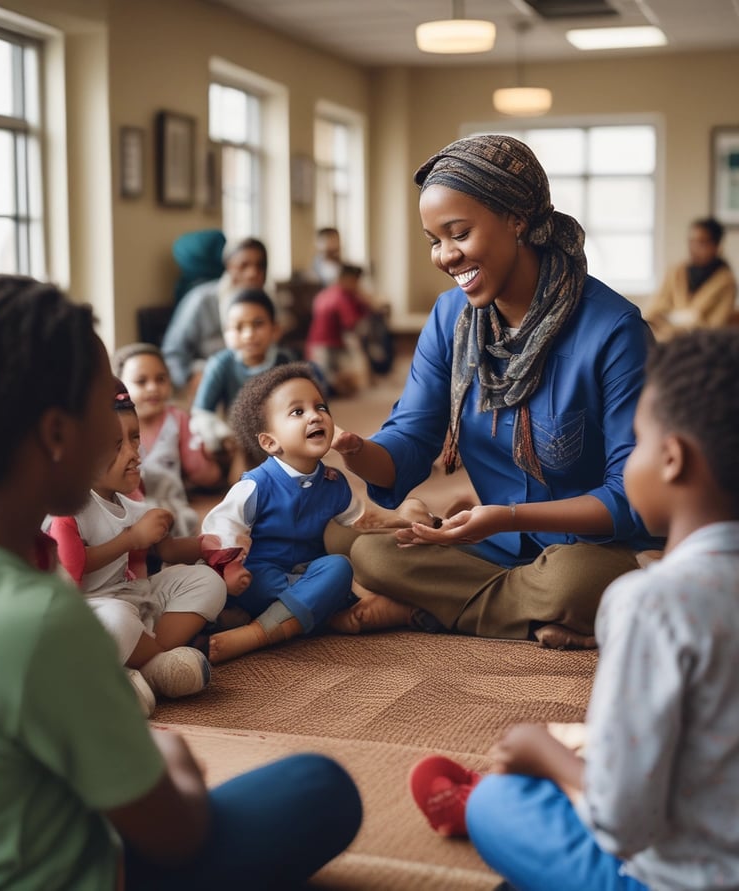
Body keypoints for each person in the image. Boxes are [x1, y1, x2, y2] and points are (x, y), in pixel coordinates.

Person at [0, 273, 362, 891]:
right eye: (106, 403)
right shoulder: (43, 617)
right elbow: (172, 831)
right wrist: (172, 763)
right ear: (55, 433)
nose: (122, 432)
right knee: (322, 786)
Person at [409, 328, 739, 891]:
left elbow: (623, 822)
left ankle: (475, 804)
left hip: (680, 876)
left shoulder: (651, 602)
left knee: (504, 797)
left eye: (635, 440)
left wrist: (545, 754)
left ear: (671, 459)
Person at [327, 133, 662, 648]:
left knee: (576, 581)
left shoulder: (614, 330)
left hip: (594, 547)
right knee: (370, 552)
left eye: (458, 233)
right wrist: (357, 451)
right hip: (496, 544)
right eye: (434, 240)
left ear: (517, 219)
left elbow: (633, 498)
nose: (444, 256)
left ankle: (433, 611)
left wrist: (505, 516)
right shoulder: (450, 319)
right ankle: (542, 615)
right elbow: (411, 441)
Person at [201, 362, 434, 664]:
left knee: (338, 567)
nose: (315, 415)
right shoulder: (255, 485)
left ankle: (303, 614)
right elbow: (218, 529)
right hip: (257, 577)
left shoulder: (333, 483)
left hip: (303, 574)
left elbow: (363, 520)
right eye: (297, 412)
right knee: (331, 587)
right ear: (270, 442)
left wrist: (406, 518)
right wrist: (231, 572)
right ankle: (258, 634)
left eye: (320, 407)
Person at [49, 378, 226, 712]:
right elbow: (71, 565)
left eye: (134, 439)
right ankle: (155, 662)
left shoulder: (130, 506)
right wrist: (131, 539)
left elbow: (169, 552)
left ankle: (143, 660)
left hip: (133, 598)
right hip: (92, 609)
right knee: (117, 621)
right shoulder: (68, 506)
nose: (134, 454)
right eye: (117, 446)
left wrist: (208, 545)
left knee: (206, 581)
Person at [189, 288, 297, 483]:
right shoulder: (220, 364)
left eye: (258, 324)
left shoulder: (285, 361)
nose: (248, 334)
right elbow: (202, 412)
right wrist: (222, 436)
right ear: (226, 333)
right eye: (239, 327)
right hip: (235, 439)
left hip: (279, 435)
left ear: (275, 329)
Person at [114, 342, 222, 535]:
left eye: (161, 379)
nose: (153, 387)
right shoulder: (114, 424)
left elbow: (202, 473)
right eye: (141, 381)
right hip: (127, 511)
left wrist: (205, 451)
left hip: (171, 511)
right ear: (120, 385)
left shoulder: (177, 419)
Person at [161, 237, 268, 393]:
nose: (253, 273)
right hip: (207, 385)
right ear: (229, 266)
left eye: (260, 266)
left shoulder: (270, 304)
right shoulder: (201, 299)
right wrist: (188, 378)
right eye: (244, 265)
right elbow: (173, 351)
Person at [645, 216, 737, 340]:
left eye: (701, 242)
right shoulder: (676, 272)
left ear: (716, 246)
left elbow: (715, 326)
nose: (694, 248)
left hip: (700, 348)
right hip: (665, 341)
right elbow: (654, 310)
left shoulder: (726, 282)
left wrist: (684, 323)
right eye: (691, 242)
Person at [305, 263, 373, 395]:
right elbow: (352, 324)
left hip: (318, 344)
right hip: (326, 347)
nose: (357, 285)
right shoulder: (341, 297)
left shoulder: (327, 292)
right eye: (356, 282)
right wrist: (366, 301)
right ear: (346, 279)